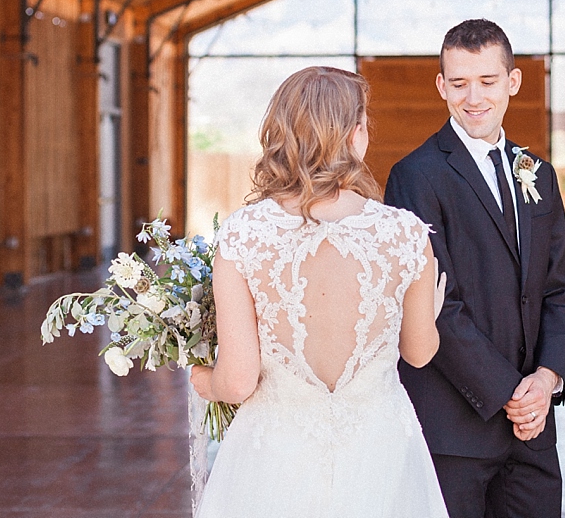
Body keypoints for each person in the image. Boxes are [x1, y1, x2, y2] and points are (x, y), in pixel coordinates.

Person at [189, 66, 450, 518]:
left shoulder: (244, 235)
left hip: (273, 457)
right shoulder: (405, 234)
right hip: (379, 451)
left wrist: (201, 378)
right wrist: (431, 309)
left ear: (283, 134)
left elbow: (235, 383)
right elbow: (420, 354)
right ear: (356, 134)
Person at [384, 19, 565, 518]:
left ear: (512, 82)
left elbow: (558, 290)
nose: (474, 97)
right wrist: (509, 392)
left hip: (532, 430)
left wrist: (546, 379)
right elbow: (434, 305)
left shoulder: (538, 173)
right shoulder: (414, 176)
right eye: (459, 82)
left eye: (487, 82)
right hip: (456, 429)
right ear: (441, 85)